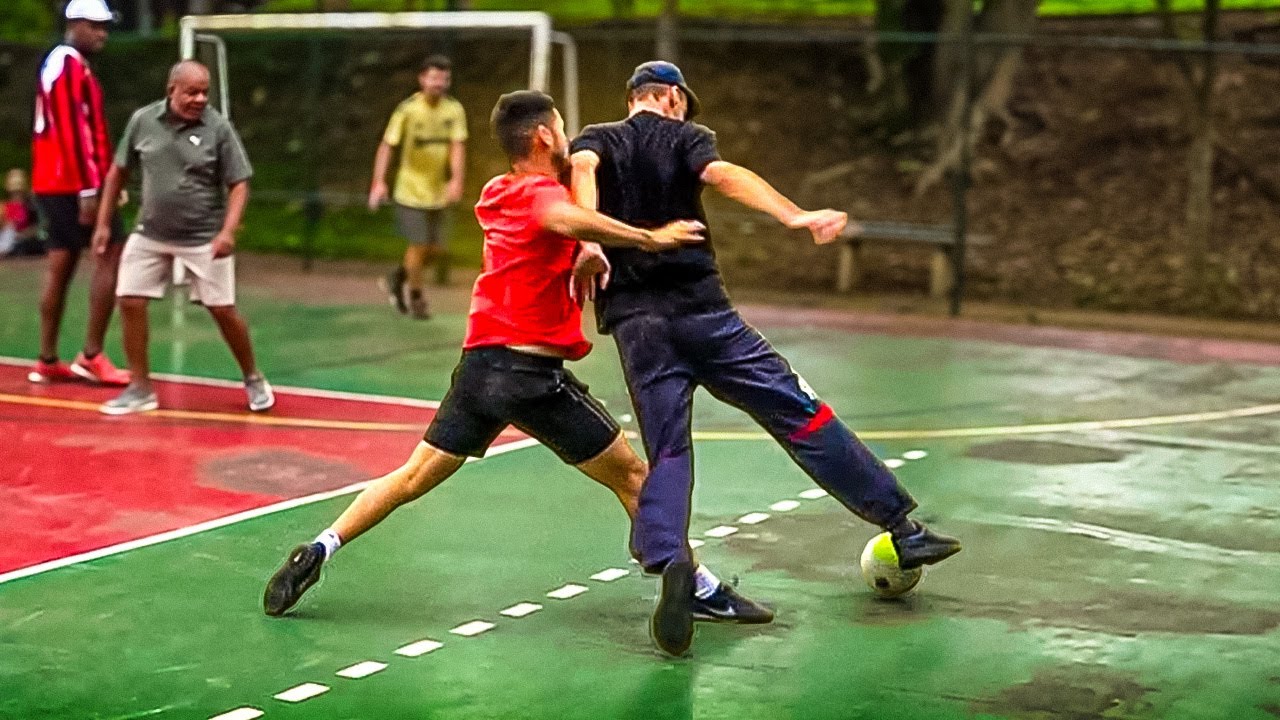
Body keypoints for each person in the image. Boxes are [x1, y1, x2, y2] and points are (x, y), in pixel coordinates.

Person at [264, 91, 771, 630]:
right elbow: (568, 218)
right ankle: (697, 587)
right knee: (634, 476)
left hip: (478, 370)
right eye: (561, 127)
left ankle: (320, 547)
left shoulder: (496, 191)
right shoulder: (540, 196)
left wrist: (586, 245)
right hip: (530, 379)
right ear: (544, 136)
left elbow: (565, 219)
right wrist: (649, 238)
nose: (568, 135)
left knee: (411, 477)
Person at [568, 61, 963, 656]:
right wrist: (794, 215)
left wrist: (590, 240)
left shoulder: (596, 139)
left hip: (637, 326)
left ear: (631, 99)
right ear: (672, 97)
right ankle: (902, 528)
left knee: (668, 449)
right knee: (800, 414)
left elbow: (581, 169)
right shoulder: (687, 137)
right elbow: (724, 175)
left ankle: (672, 561)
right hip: (707, 316)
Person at [91, 60, 273, 416]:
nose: (200, 99)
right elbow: (117, 172)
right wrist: (102, 224)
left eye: (204, 92)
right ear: (171, 90)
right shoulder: (143, 121)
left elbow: (239, 184)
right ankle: (140, 387)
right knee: (129, 299)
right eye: (192, 92)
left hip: (203, 237)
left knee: (222, 309)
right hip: (150, 232)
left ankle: (253, 376)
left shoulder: (218, 128)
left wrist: (228, 231)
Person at [28, 0, 129, 386]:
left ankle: (47, 358)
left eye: (105, 26)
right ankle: (91, 355)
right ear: (74, 24)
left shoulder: (60, 63)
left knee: (61, 262)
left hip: (53, 180)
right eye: (95, 26)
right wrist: (93, 188)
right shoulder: (69, 65)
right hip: (73, 182)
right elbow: (75, 132)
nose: (103, 33)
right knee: (111, 252)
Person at [368, 55, 467, 320]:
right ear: (422, 79)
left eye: (444, 79)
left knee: (437, 249)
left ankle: (397, 276)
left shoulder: (454, 110)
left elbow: (457, 146)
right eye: (434, 78)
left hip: (438, 191)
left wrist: (456, 180)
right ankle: (416, 297)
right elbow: (387, 145)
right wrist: (379, 181)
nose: (439, 84)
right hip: (410, 190)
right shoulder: (408, 110)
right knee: (419, 244)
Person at [1, 169, 42, 257]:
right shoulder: (4, 207)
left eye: (18, 191)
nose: (16, 194)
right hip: (8, 239)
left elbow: (36, 227)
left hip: (24, 240)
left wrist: (23, 234)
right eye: (14, 192)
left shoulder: (30, 206)